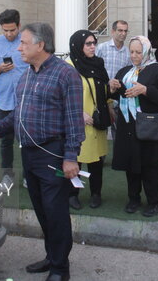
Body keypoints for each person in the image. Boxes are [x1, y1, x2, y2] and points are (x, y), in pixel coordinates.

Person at [0, 23, 84, 281]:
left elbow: (74, 121)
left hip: (53, 154)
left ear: (40, 45)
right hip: (30, 154)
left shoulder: (66, 75)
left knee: (56, 214)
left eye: (23, 43)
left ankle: (60, 269)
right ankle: (52, 256)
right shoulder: (27, 74)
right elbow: (17, 117)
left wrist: (71, 157)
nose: (18, 47)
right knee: (43, 211)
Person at [109, 36, 158, 218]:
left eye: (138, 52)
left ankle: (154, 202)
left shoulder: (157, 69)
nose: (134, 56)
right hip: (128, 125)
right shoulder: (126, 70)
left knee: (149, 165)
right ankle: (133, 199)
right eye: (132, 52)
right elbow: (120, 94)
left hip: (148, 124)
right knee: (131, 164)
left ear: (146, 51)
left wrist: (145, 90)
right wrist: (113, 87)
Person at [66, 30, 110, 210]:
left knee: (97, 161)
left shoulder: (98, 63)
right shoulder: (68, 67)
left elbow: (103, 87)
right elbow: (62, 95)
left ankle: (96, 194)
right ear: (78, 46)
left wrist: (109, 105)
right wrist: (79, 113)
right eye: (88, 44)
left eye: (94, 43)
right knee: (75, 159)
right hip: (77, 123)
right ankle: (72, 194)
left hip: (97, 121)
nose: (93, 47)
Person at [0, 9, 28, 173]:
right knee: (6, 141)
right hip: (4, 101)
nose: (9, 34)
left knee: (27, 141)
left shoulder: (27, 42)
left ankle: (27, 175)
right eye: (5, 30)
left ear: (19, 26)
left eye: (12, 30)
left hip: (26, 100)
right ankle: (7, 174)